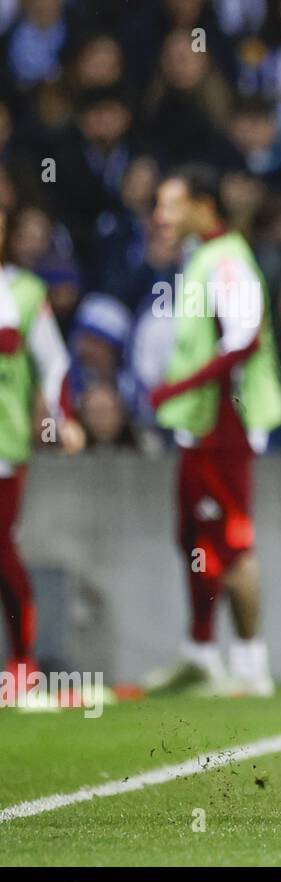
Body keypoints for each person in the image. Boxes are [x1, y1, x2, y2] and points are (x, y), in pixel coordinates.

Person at [147, 164, 281, 697]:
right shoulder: (203, 255)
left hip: (224, 423)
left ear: (203, 205)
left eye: (171, 203)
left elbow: (243, 341)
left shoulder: (227, 260)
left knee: (231, 541)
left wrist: (176, 389)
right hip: (202, 425)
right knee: (194, 536)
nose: (161, 215)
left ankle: (252, 666)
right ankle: (201, 651)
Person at [0, 207, 84, 686]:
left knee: (2, 549)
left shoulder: (25, 293)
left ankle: (22, 663)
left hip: (4, 440)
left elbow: (53, 362)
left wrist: (61, 417)